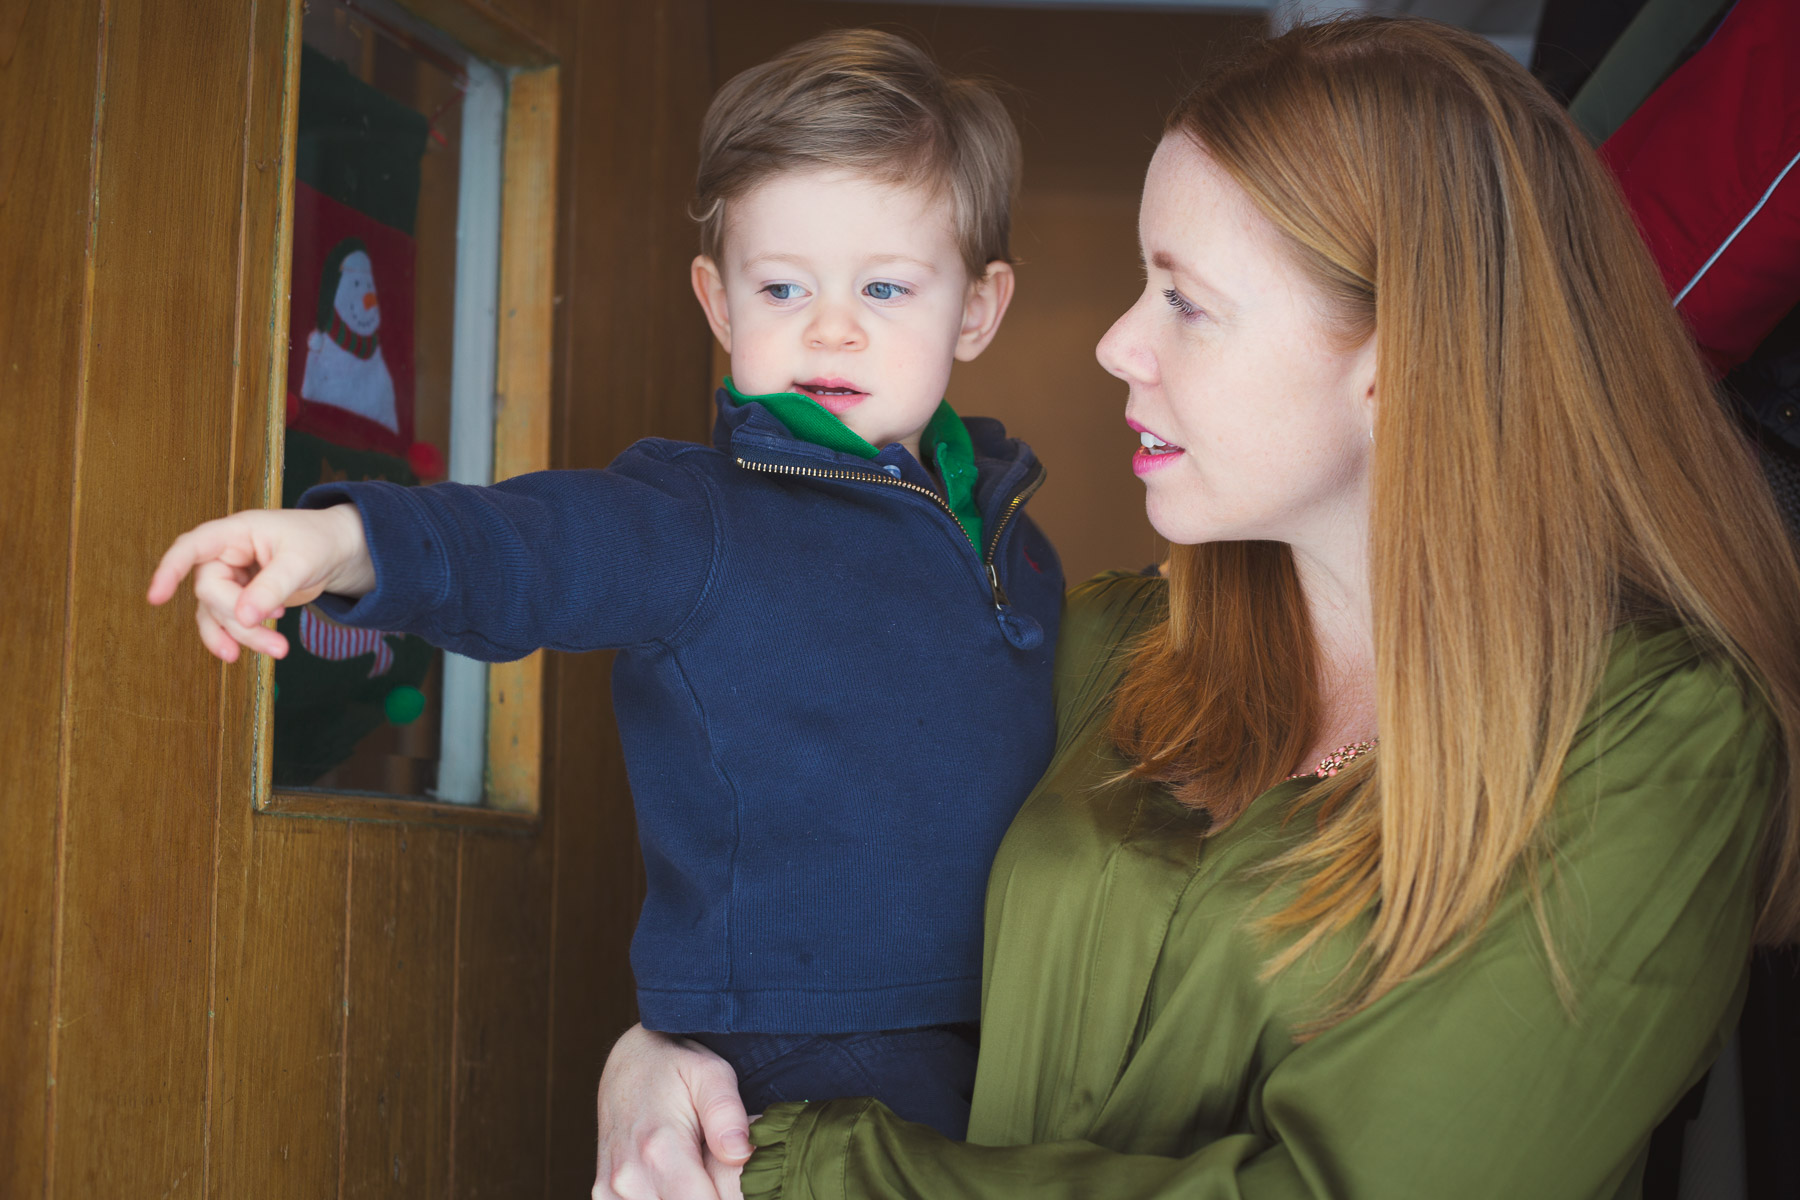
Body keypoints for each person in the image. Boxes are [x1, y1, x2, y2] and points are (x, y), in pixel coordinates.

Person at [590, 16, 1800, 1200]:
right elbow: (828, 885)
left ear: (1398, 359)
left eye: (1184, 299)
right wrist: (671, 1061)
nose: (1119, 344)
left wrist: (793, 1166)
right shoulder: (1105, 639)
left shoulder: (1660, 743)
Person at [146, 30, 1064, 1141]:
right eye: (782, 286)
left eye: (884, 285)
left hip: (1006, 1021)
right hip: (798, 1042)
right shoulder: (699, 516)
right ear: (720, 306)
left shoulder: (1015, 539)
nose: (832, 325)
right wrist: (348, 543)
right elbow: (533, 545)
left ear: (975, 307)